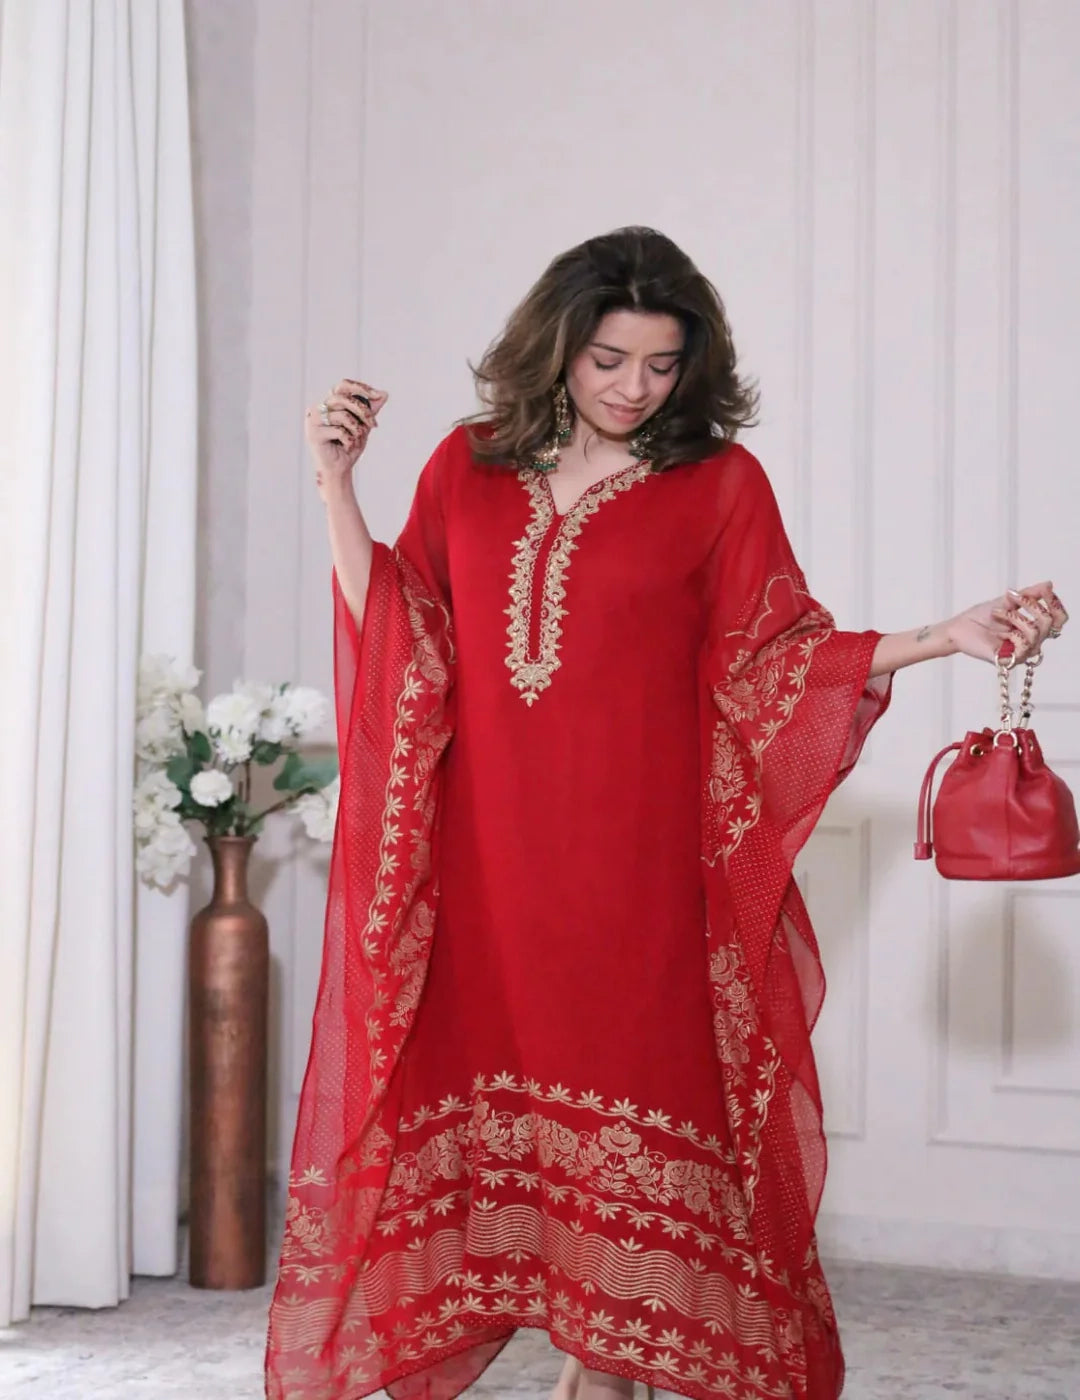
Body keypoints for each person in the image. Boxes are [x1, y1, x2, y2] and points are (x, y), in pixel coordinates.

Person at [264, 227, 1067, 1400]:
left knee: (639, 1104)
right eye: (608, 359)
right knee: (494, 1095)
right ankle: (588, 1357)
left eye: (660, 363)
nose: (634, 386)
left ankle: (606, 1365)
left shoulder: (718, 484)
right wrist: (337, 486)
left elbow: (775, 656)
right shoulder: (466, 465)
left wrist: (942, 634)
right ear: (556, 347)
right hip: (489, 865)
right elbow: (406, 631)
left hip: (639, 872)